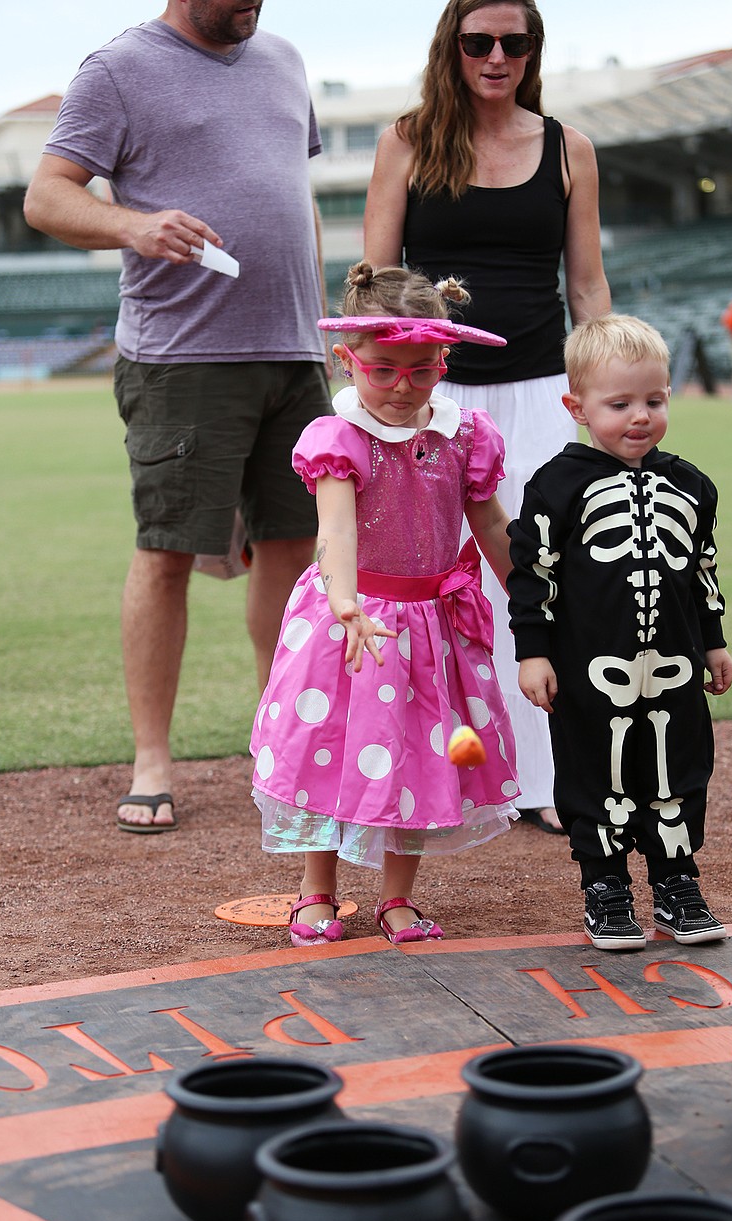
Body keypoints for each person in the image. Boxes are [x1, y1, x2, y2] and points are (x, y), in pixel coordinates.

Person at [23, 1, 332, 832]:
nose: (252, 6)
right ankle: (153, 757)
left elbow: (293, 197)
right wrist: (134, 223)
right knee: (165, 553)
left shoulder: (285, 60)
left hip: (295, 353)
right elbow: (47, 198)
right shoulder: (118, 69)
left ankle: (281, 738)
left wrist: (320, 324)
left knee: (296, 549)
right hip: (182, 359)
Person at [364, 0, 611, 838]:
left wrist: (602, 391)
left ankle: (540, 777)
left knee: (538, 578)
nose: (497, 55)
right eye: (479, 41)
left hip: (543, 390)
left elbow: (586, 286)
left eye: (515, 41)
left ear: (533, 49)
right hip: (434, 400)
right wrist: (385, 393)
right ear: (454, 47)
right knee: (430, 585)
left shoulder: (569, 148)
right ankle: (431, 772)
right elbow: (377, 275)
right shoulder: (407, 139)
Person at [250, 262, 520, 946]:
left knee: (421, 758)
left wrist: (533, 593)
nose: (403, 387)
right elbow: (335, 529)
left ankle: (398, 898)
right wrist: (344, 601)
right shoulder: (339, 439)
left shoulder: (466, 436)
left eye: (421, 371)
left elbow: (490, 526)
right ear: (349, 363)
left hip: (432, 627)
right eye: (383, 371)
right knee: (330, 753)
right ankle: (318, 890)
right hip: (353, 622)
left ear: (442, 360)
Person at [507, 314, 732, 951]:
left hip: (676, 665)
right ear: (575, 407)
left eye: (654, 401)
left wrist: (713, 639)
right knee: (593, 773)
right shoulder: (555, 485)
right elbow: (533, 579)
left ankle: (677, 881)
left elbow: (702, 570)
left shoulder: (691, 484)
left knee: (679, 771)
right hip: (587, 668)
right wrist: (533, 655)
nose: (640, 416)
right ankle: (605, 888)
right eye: (619, 404)